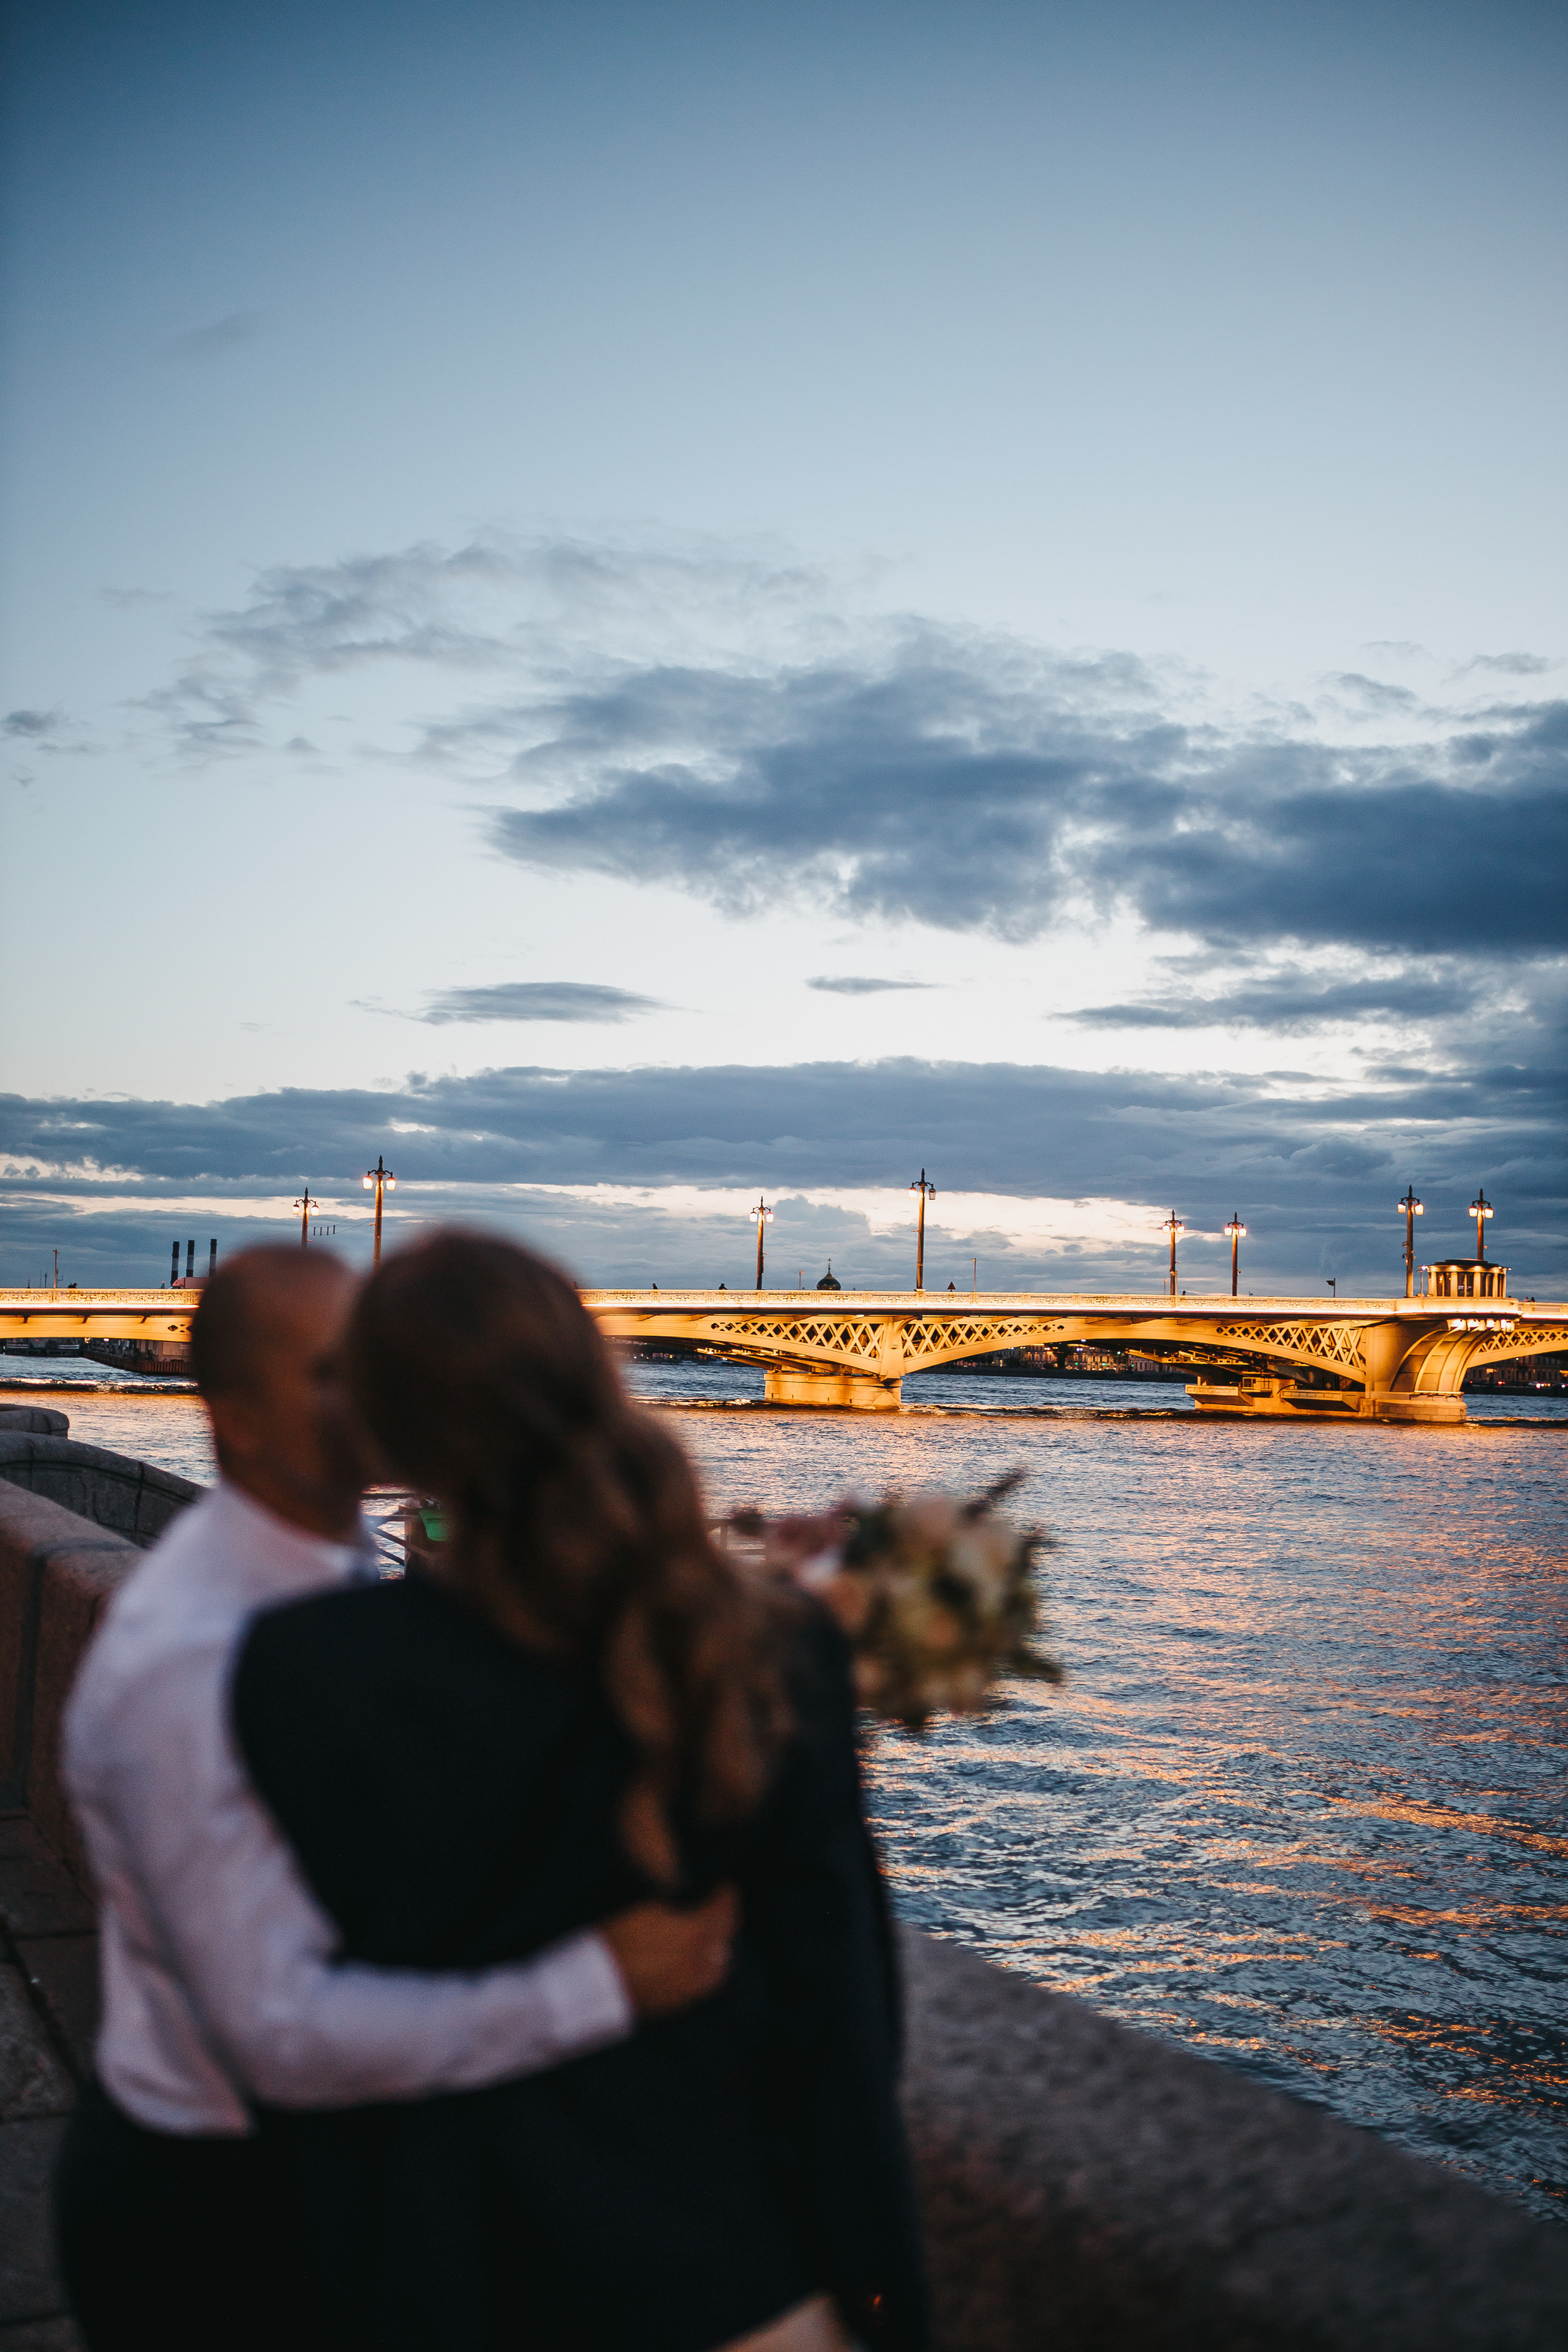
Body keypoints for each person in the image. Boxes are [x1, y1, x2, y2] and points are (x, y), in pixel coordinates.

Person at [232, 1231, 929, 2352]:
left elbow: (293, 2017)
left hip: (446, 2278)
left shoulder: (300, 1669)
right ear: (595, 1378)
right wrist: (890, 2303)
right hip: (728, 2275)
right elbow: (843, 2027)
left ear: (385, 1427)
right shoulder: (778, 1653)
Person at [57, 1246, 737, 2352]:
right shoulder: (188, 1658)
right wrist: (600, 1984)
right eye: (327, 1372)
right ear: (229, 1414)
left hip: (324, 2176)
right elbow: (278, 2031)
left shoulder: (337, 1575)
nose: (367, 1395)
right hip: (216, 2211)